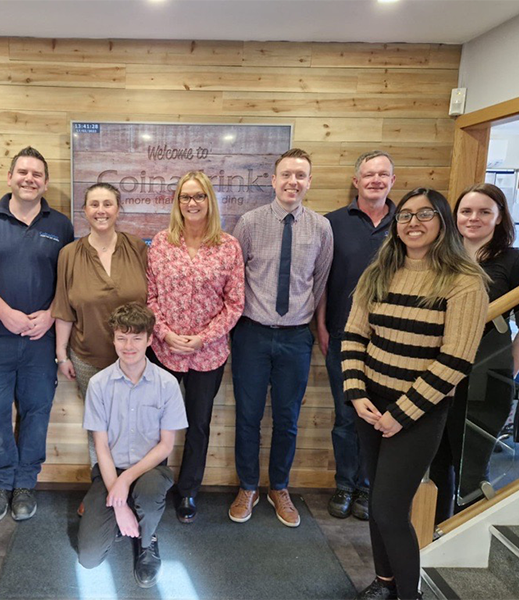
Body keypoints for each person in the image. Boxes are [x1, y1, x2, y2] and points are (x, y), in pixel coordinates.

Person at [343, 188, 488, 600]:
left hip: (419, 413)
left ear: (443, 221)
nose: (413, 223)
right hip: (370, 404)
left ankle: (410, 594)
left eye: (425, 214)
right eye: (405, 215)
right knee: (379, 504)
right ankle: (384, 581)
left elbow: (455, 361)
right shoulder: (379, 271)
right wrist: (356, 392)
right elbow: (354, 335)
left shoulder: (464, 282)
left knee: (390, 509)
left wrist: (402, 413)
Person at [0, 146, 74, 522]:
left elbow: (68, 280)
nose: (29, 179)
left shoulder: (60, 225)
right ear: (9, 177)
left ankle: (25, 483)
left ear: (45, 182)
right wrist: (5, 313)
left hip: (40, 341)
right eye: (22, 172)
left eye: (37, 174)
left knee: (36, 412)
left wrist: (50, 314)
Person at [230, 148, 333, 526]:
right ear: (273, 181)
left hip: (295, 338)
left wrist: (317, 328)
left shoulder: (321, 228)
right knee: (248, 416)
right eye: (286, 174)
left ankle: (280, 487)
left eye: (300, 175)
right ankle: (247, 487)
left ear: (309, 182)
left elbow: (320, 283)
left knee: (288, 418)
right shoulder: (250, 223)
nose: (293, 182)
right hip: (251, 335)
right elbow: (234, 279)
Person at [430, 183, 519, 522]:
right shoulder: (439, 258)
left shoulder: (515, 262)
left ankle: (463, 540)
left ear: (499, 217)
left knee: (472, 465)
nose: (473, 218)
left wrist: (504, 370)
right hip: (435, 375)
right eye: (466, 211)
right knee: (437, 462)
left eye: (484, 212)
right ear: (455, 216)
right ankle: (432, 534)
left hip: (484, 381)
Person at [147, 170, 244, 523]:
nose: (192, 203)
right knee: (159, 424)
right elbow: (150, 296)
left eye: (199, 196)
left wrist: (203, 338)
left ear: (210, 200)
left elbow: (235, 304)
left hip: (209, 353)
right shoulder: (161, 243)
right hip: (164, 349)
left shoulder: (228, 246)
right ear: (177, 202)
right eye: (185, 197)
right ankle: (153, 488)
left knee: (198, 424)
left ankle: (188, 491)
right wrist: (166, 333)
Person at [77, 303, 188, 588]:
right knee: (88, 558)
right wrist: (118, 503)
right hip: (109, 471)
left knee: (149, 493)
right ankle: (122, 518)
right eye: (122, 337)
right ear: (113, 339)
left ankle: (147, 540)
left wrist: (126, 481)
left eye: (137, 337)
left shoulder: (167, 384)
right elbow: (100, 446)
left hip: (151, 470)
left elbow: (165, 446)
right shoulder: (99, 385)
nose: (129, 345)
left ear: (150, 339)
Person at [52, 182, 148, 510]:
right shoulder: (69, 254)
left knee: (134, 424)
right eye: (94, 204)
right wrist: (61, 353)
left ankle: (131, 488)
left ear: (119, 209)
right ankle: (101, 490)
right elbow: (63, 307)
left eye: (108, 204)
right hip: (87, 358)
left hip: (134, 359)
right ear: (85, 211)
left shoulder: (138, 248)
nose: (101, 210)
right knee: (99, 427)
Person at [315, 151, 397, 521]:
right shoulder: (332, 223)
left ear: (392, 181)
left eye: (383, 174)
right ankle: (345, 485)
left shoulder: (406, 223)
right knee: (346, 417)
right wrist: (321, 325)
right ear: (356, 180)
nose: (375, 180)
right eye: (369, 174)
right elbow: (322, 283)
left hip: (394, 341)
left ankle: (369, 487)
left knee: (382, 416)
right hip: (343, 337)